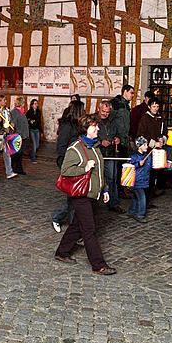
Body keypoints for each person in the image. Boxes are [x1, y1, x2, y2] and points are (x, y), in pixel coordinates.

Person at [54, 113, 116, 276]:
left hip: (93, 194)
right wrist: (84, 168)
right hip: (80, 194)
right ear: (85, 129)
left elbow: (100, 171)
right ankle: (98, 265)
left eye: (97, 126)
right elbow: (65, 171)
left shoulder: (95, 147)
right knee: (89, 229)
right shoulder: (75, 148)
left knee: (77, 226)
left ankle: (62, 252)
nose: (97, 128)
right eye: (94, 126)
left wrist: (105, 189)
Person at [52, 100, 85, 232]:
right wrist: (70, 161)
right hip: (68, 163)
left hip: (77, 163)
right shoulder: (67, 126)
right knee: (73, 195)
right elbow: (61, 148)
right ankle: (61, 219)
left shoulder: (78, 126)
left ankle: (72, 224)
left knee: (75, 195)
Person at [137, 96, 166, 207]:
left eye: (157, 106)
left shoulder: (160, 118)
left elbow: (165, 132)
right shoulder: (145, 118)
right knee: (146, 176)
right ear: (149, 107)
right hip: (147, 151)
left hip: (157, 152)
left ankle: (149, 199)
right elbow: (141, 135)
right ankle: (144, 201)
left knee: (154, 176)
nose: (155, 108)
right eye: (153, 106)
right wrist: (153, 143)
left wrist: (163, 139)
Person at [97, 100, 124, 213]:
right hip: (97, 154)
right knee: (96, 179)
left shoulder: (112, 122)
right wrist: (100, 142)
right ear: (98, 109)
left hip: (110, 154)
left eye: (107, 112)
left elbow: (117, 135)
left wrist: (117, 139)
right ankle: (93, 203)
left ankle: (114, 203)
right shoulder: (92, 121)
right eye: (103, 111)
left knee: (112, 179)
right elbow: (85, 136)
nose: (105, 114)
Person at [127, 136, 152, 222]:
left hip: (144, 181)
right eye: (144, 145)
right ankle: (140, 215)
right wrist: (138, 164)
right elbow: (128, 167)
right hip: (136, 181)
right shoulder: (134, 156)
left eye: (147, 144)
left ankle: (131, 211)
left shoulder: (147, 156)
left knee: (135, 197)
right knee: (142, 197)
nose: (147, 146)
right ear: (139, 146)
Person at [110, 84, 135, 154]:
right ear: (125, 92)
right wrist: (114, 136)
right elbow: (109, 120)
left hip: (124, 139)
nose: (133, 95)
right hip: (116, 140)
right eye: (131, 93)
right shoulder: (115, 103)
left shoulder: (126, 105)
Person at [9, 96, 29, 175]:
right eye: (24, 102)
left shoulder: (21, 111)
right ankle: (13, 168)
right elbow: (13, 125)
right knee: (16, 154)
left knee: (20, 154)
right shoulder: (14, 112)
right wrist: (17, 133)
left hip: (23, 135)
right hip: (18, 136)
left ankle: (19, 168)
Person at [26, 98, 42, 163]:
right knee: (34, 145)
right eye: (34, 104)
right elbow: (27, 118)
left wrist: (41, 130)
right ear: (32, 105)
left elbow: (39, 120)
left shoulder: (38, 111)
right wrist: (30, 120)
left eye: (36, 104)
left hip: (37, 129)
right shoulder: (29, 111)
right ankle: (33, 158)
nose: (36, 105)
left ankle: (33, 153)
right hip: (32, 129)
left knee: (37, 145)